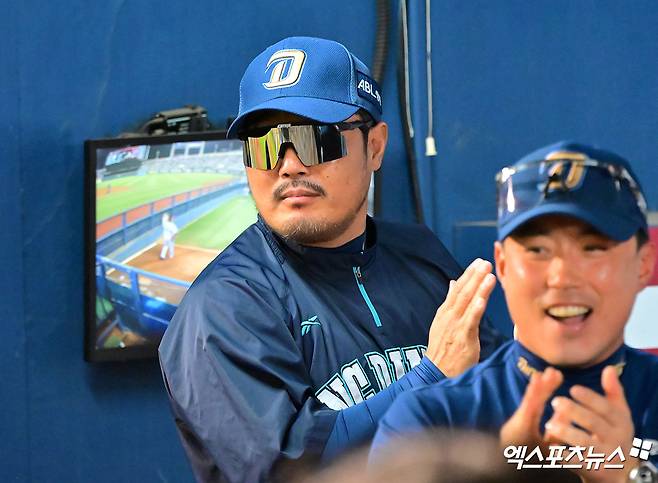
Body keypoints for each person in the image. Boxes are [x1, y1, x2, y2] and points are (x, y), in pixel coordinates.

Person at [158, 36, 504, 483]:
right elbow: (289, 471)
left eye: (314, 138)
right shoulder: (224, 307)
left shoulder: (421, 254)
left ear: (374, 147)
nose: (288, 166)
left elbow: (504, 399)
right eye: (264, 145)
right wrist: (432, 379)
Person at [371, 141, 658, 482]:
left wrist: (634, 476)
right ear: (503, 265)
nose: (562, 277)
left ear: (643, 264)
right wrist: (494, 473)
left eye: (592, 248)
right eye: (537, 249)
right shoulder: (429, 421)